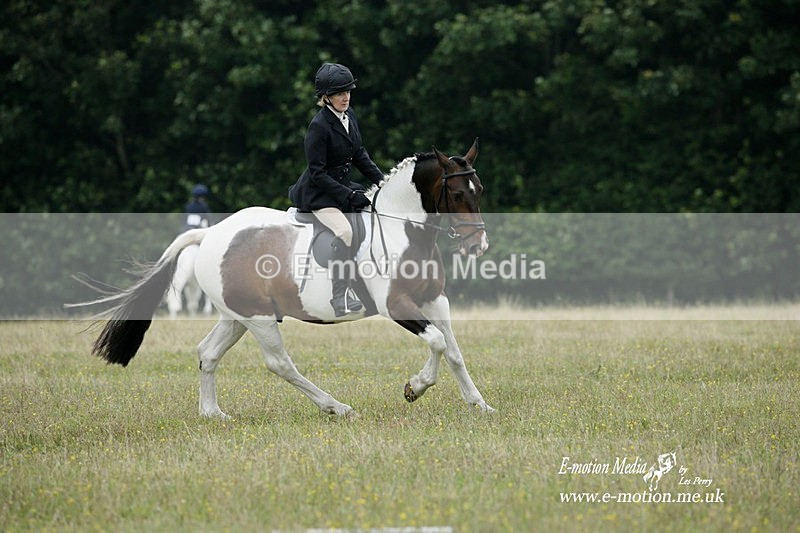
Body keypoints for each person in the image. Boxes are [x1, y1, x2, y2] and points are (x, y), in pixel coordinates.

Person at [288, 63, 385, 317]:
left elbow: (360, 154)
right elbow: (317, 174)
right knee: (344, 230)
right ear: (326, 97)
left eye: (348, 91)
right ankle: (339, 295)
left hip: (341, 188)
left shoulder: (349, 115)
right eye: (340, 93)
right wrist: (349, 195)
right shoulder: (318, 127)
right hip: (319, 193)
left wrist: (383, 181)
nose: (346, 97)